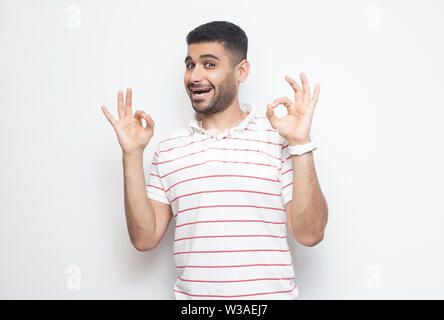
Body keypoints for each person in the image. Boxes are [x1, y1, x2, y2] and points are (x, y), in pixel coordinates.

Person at [101, 21, 328, 300]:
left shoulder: (277, 139)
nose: (194, 76)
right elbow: (144, 239)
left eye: (209, 64)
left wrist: (300, 144)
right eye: (189, 65)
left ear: (241, 71)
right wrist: (132, 154)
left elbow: (310, 234)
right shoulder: (169, 150)